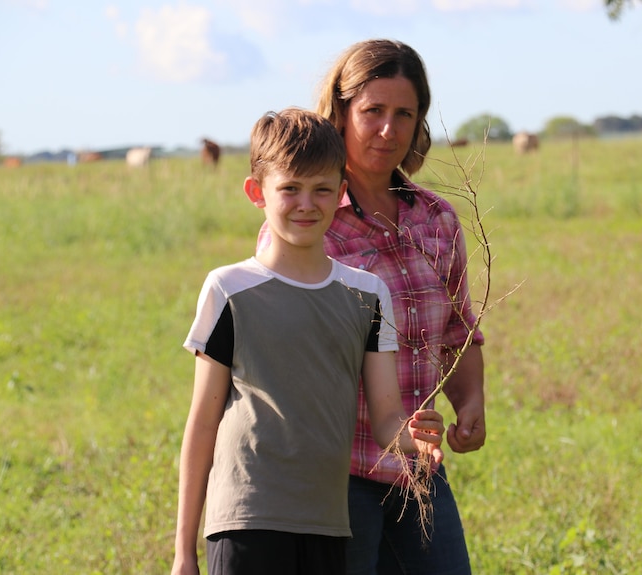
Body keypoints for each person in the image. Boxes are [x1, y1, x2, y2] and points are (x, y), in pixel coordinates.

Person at [170, 108, 446, 575]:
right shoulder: (228, 289)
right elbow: (202, 423)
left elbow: (386, 419)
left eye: (322, 189)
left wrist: (415, 439)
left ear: (340, 193)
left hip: (326, 523)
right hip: (244, 519)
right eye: (289, 189)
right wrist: (183, 552)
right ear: (257, 193)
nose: (306, 203)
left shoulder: (368, 293)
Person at [257, 40, 486, 574]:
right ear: (339, 114)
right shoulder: (307, 222)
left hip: (418, 472)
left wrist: (470, 401)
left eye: (404, 113)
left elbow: (457, 331)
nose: (389, 129)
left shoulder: (438, 219)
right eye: (372, 111)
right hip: (337, 478)